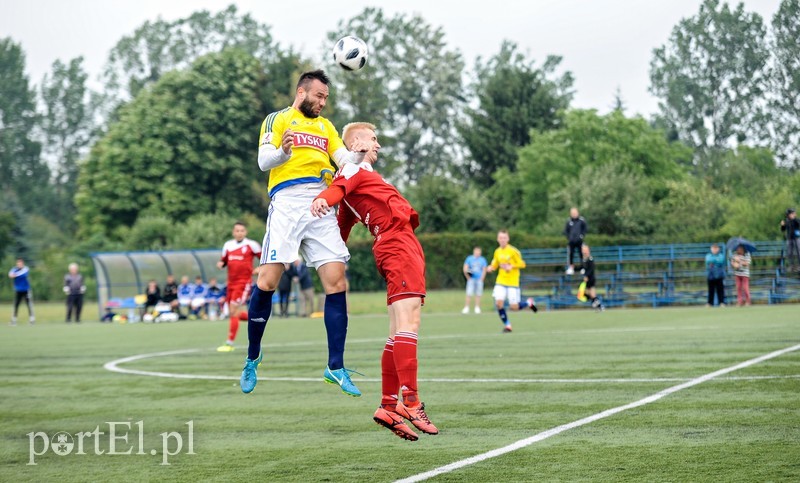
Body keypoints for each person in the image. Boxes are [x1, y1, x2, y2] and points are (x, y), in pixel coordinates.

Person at [241, 69, 370, 396]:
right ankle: (252, 357)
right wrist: (283, 153)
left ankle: (335, 367)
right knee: (267, 281)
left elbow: (345, 162)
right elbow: (263, 162)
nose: (323, 103)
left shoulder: (326, 127)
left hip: (320, 203)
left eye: (326, 97)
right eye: (319, 96)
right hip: (286, 203)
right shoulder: (278, 119)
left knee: (337, 281)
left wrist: (357, 151)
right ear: (302, 92)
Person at [311, 121, 437, 441]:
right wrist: (323, 198)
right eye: (373, 138)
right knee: (409, 323)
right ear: (356, 143)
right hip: (397, 244)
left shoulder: (361, 177)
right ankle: (410, 400)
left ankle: (387, 406)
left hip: (394, 245)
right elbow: (338, 189)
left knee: (397, 330)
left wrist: (332, 256)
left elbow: (341, 227)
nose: (378, 145)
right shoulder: (352, 172)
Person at [216, 221, 262, 351]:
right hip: (230, 283)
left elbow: (264, 258)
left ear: (245, 232)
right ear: (233, 232)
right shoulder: (228, 245)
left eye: (242, 230)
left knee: (233, 311)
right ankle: (259, 319)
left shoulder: (251, 245)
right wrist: (220, 263)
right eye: (237, 230)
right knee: (233, 313)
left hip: (243, 283)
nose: (239, 233)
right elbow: (223, 260)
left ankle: (229, 343)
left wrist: (260, 269)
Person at [486, 230, 538, 333]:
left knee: (514, 307)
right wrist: (490, 268)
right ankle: (508, 325)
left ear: (508, 239)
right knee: (499, 304)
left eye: (504, 238)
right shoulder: (497, 251)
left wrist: (511, 266)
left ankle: (529, 302)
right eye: (500, 238)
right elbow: (495, 264)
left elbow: (522, 264)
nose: (502, 240)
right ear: (497, 239)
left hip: (512, 283)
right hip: (500, 281)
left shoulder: (513, 251)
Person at [8, 258, 34, 325]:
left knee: (29, 305)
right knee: (16, 305)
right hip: (18, 290)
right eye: (18, 263)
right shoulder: (14, 269)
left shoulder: (26, 269)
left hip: (26, 290)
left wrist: (15, 275)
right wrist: (13, 275)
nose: (19, 265)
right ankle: (14, 320)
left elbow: (21, 274)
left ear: (23, 264)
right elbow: (10, 275)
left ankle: (32, 319)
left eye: (20, 263)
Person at [462, 247, 488, 314]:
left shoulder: (482, 259)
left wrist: (482, 278)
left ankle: (477, 307)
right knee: (469, 293)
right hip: (471, 279)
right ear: (474, 252)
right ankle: (466, 307)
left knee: (478, 293)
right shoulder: (469, 258)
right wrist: (467, 276)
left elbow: (484, 269)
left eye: (479, 252)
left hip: (479, 279)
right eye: (476, 251)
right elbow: (465, 268)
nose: (477, 253)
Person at [563, 207, 587, 275]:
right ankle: (571, 268)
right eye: (572, 213)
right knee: (571, 255)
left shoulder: (581, 220)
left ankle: (583, 267)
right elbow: (566, 231)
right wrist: (569, 237)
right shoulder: (569, 221)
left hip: (579, 241)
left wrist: (581, 236)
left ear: (577, 212)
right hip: (571, 241)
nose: (574, 214)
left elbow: (585, 229)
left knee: (581, 254)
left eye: (575, 212)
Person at [581, 244, 604, 311]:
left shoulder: (590, 259)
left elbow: (591, 269)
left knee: (592, 294)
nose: (583, 251)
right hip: (587, 279)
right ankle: (597, 305)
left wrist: (586, 275)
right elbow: (583, 268)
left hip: (591, 278)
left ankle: (599, 306)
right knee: (589, 294)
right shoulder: (584, 259)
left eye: (584, 250)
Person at [780, 208, 800, 274]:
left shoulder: (796, 220)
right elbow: (783, 230)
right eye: (792, 213)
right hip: (789, 238)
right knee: (789, 253)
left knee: (798, 252)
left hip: (796, 238)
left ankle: (799, 266)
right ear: (789, 214)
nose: (794, 214)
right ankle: (791, 266)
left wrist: (794, 218)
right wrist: (782, 225)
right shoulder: (787, 221)